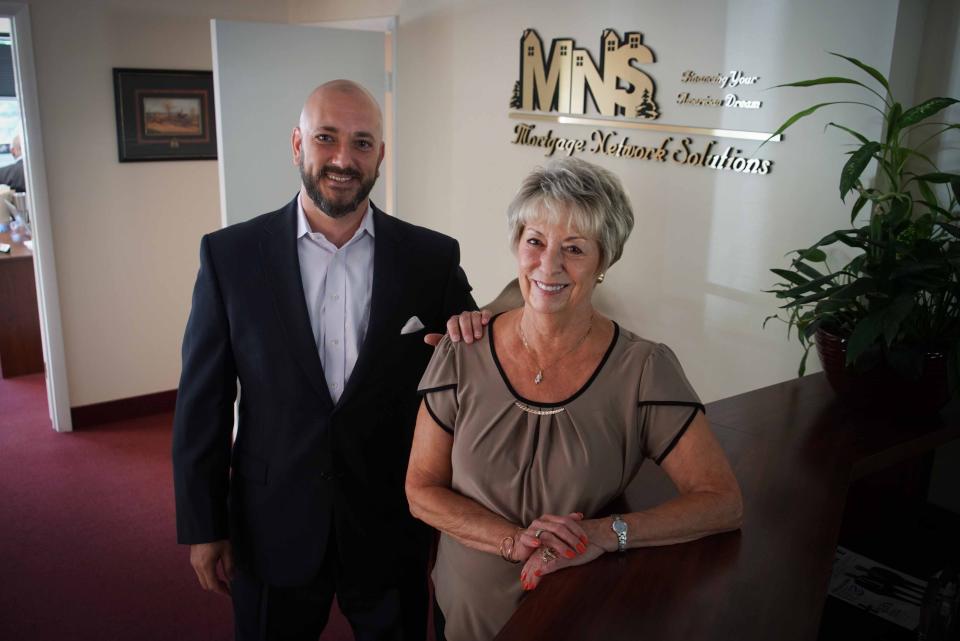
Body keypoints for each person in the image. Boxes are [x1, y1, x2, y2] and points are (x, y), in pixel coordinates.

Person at [172, 79, 479, 641]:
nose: (343, 158)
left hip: (390, 523)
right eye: (326, 138)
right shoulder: (230, 257)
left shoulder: (432, 258)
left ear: (381, 155)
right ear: (296, 145)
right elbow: (203, 403)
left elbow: (480, 347)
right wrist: (203, 523)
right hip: (271, 524)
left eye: (362, 142)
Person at [405, 157, 744, 641]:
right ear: (517, 246)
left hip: (578, 617)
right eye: (535, 242)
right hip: (461, 618)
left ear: (605, 261)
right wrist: (513, 541)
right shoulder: (461, 350)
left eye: (575, 248)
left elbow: (722, 502)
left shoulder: (644, 370)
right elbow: (421, 490)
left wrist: (605, 534)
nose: (549, 265)